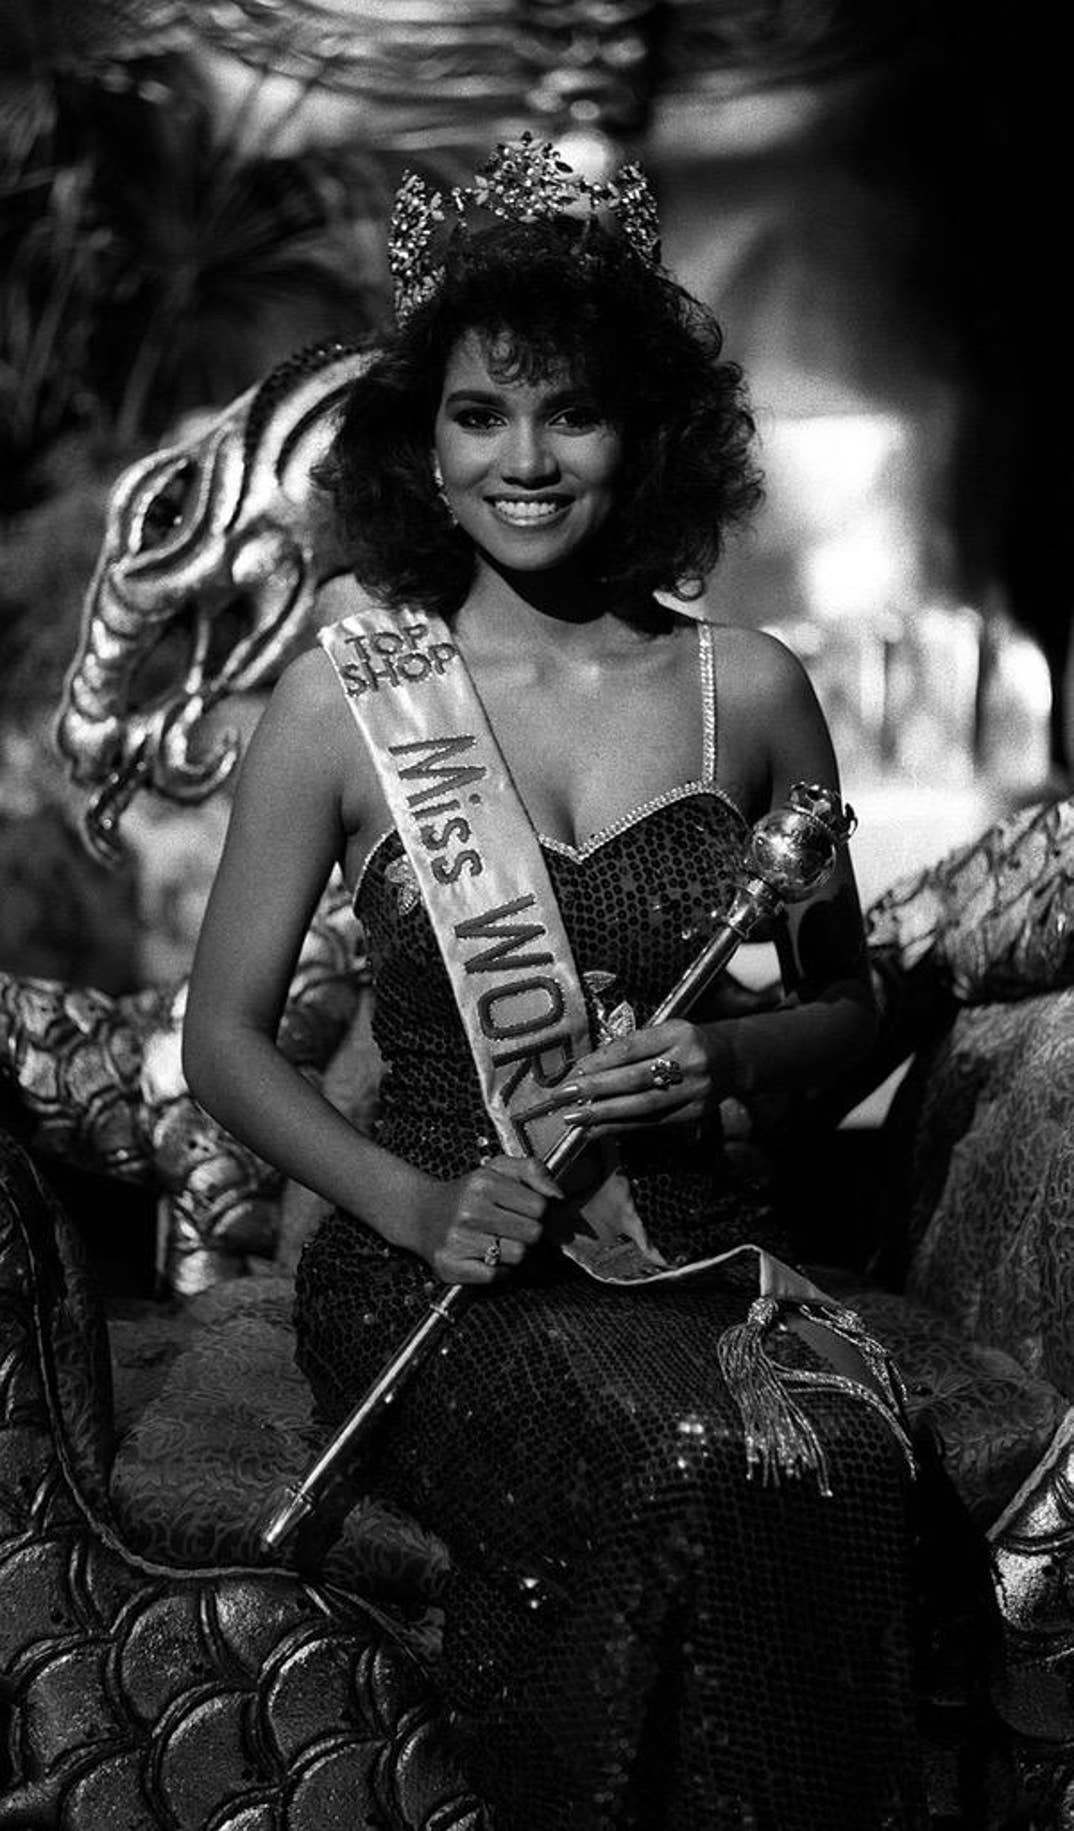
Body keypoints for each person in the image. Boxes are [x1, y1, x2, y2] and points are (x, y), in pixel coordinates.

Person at [183, 137, 933, 1830]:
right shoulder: (346, 702)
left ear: (644, 433)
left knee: (834, 1459)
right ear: (420, 444)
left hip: (689, 1245)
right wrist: (412, 1201)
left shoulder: (749, 689)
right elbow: (219, 1041)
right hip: (438, 1257)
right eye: (478, 415)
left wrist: (723, 1064)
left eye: (570, 413)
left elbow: (850, 1004)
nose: (523, 460)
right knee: (685, 1463)